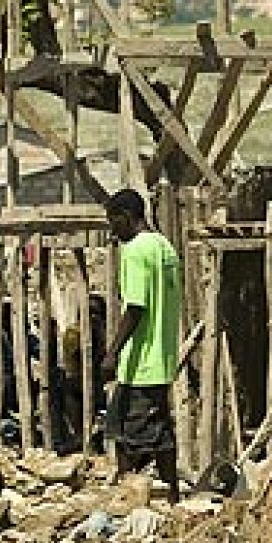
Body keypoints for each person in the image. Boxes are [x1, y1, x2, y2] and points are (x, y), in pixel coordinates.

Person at [100, 188, 183, 506]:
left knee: (129, 432)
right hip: (162, 356)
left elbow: (135, 307)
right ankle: (172, 493)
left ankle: (129, 497)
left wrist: (113, 352)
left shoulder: (135, 250)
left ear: (125, 217)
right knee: (158, 427)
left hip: (141, 360)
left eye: (113, 222)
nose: (112, 230)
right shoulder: (164, 246)